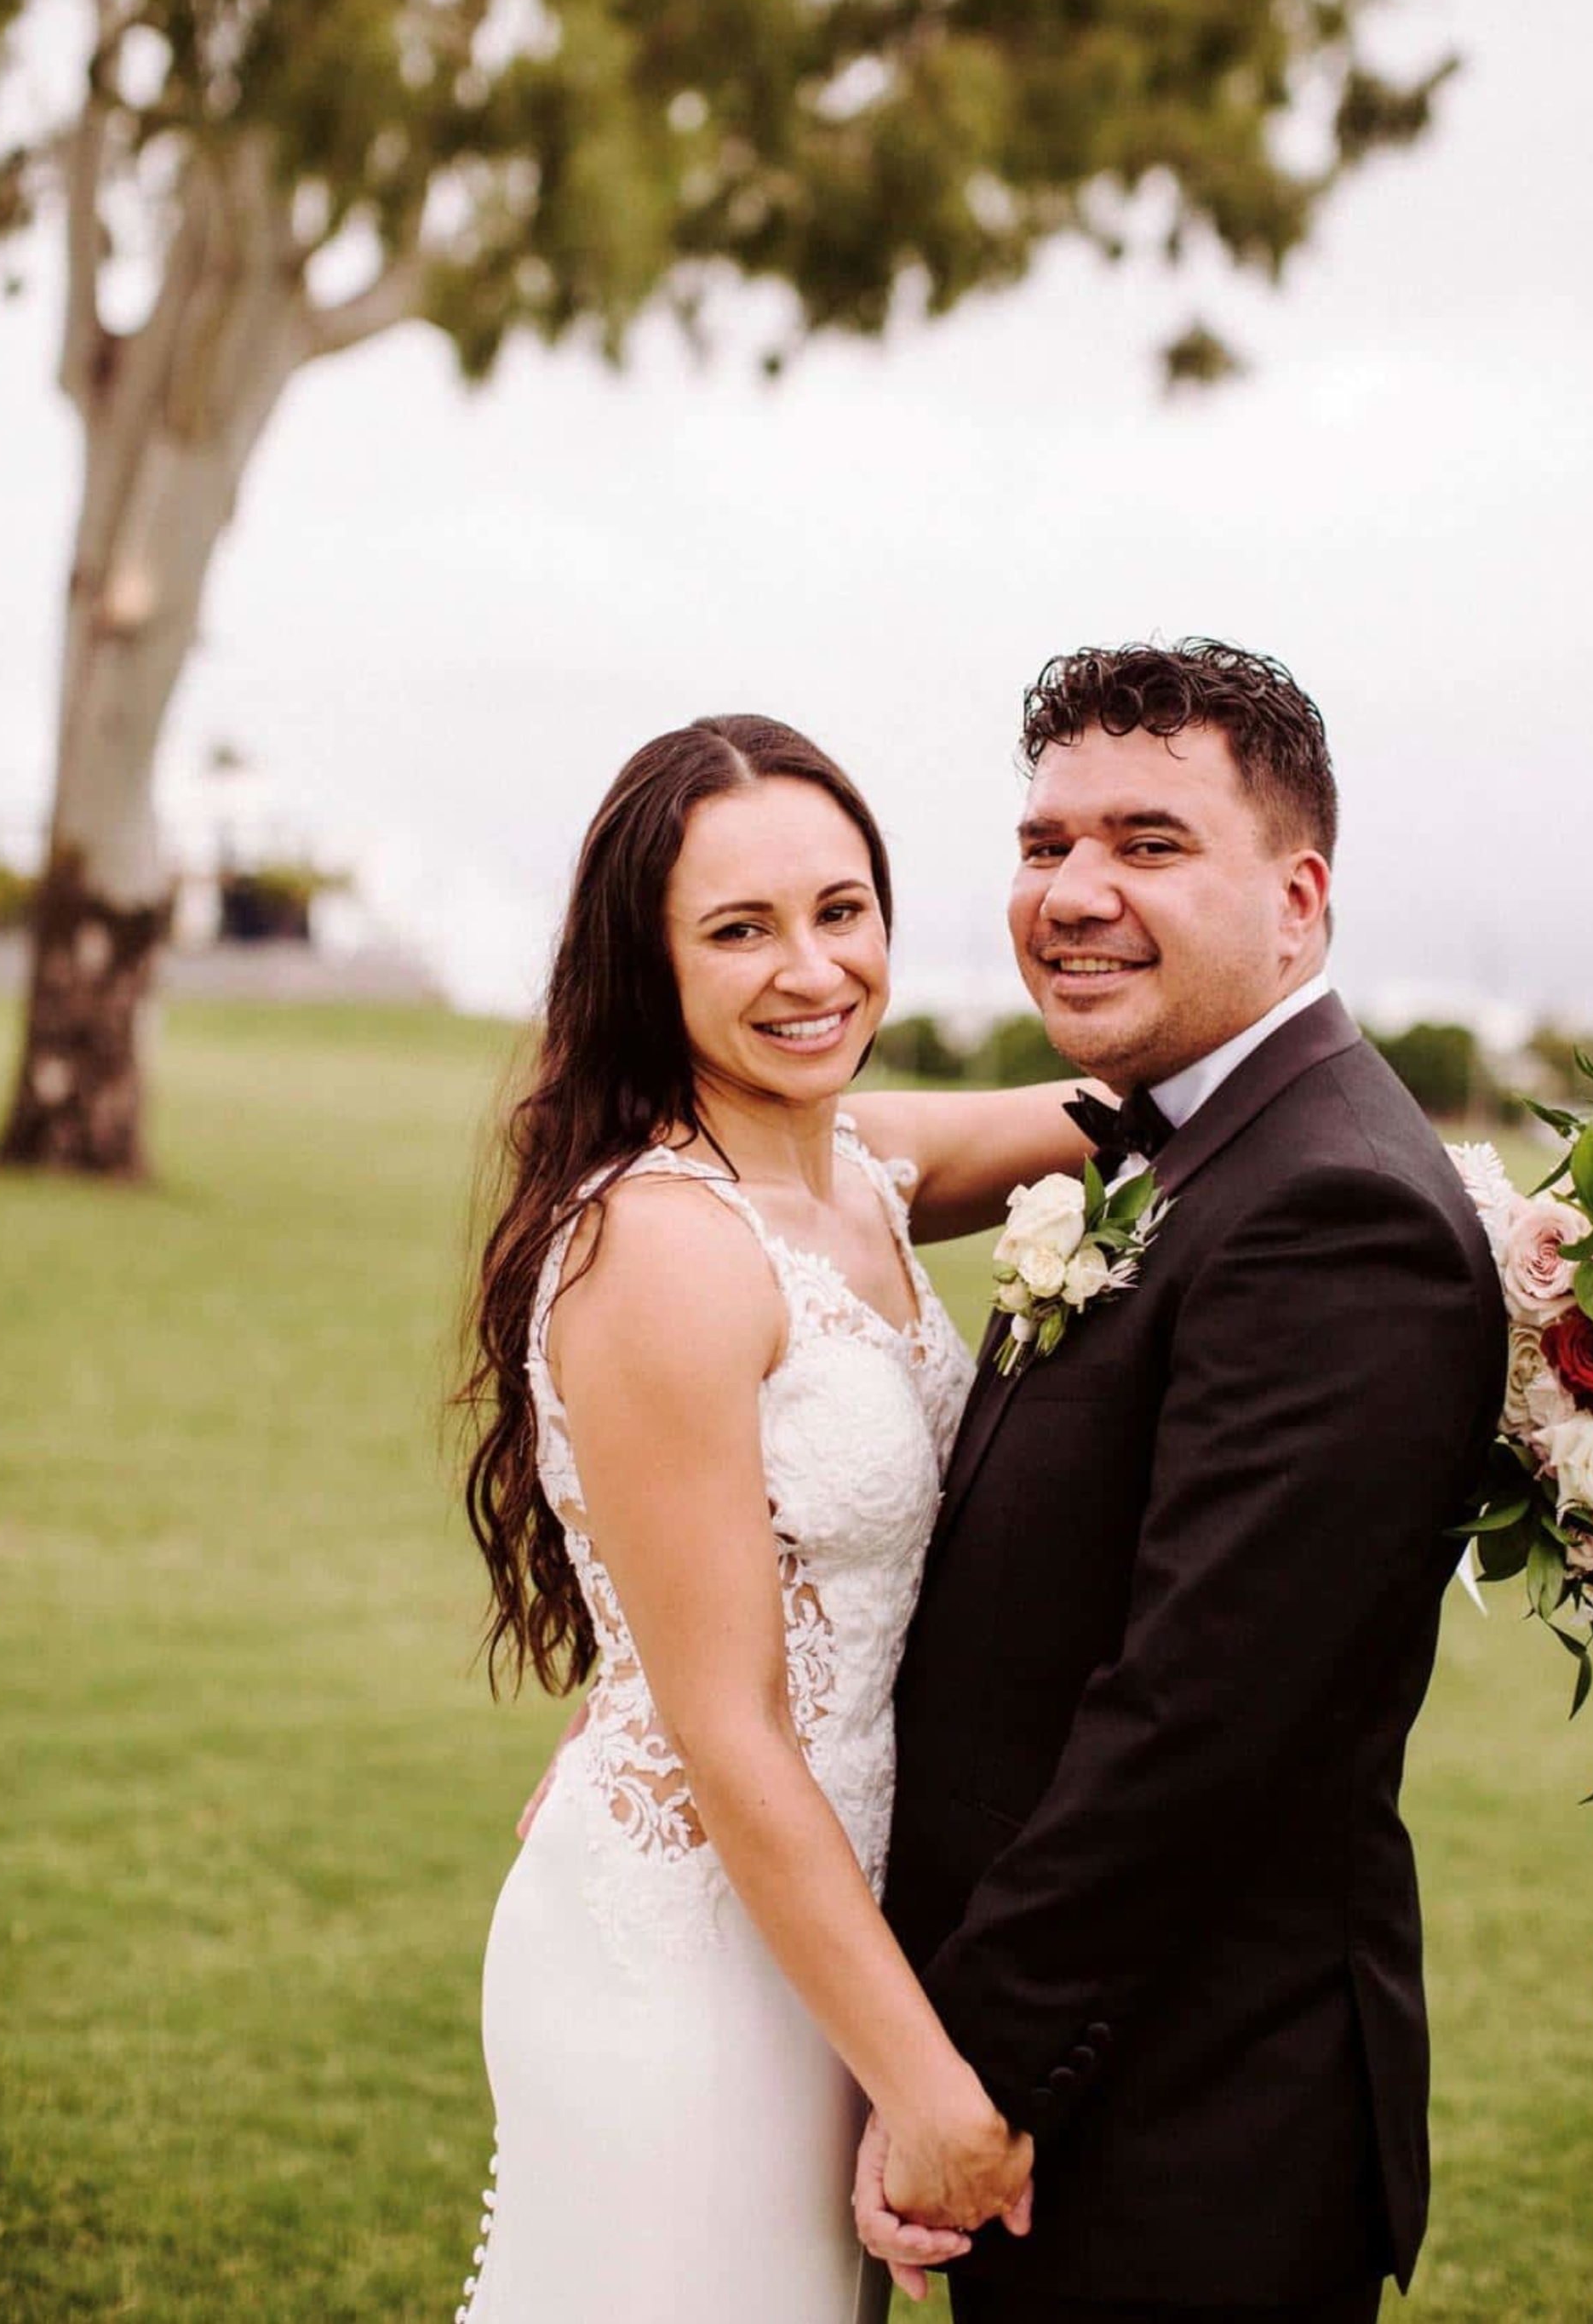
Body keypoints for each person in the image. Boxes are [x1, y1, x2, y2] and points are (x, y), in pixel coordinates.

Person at [856, 640, 1509, 2324]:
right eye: (1043, 843)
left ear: (1297, 900)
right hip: (1116, 2093)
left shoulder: (1332, 1209)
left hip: (1188, 2128)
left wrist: (968, 2080)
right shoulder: (1176, 1139)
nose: (1073, 891)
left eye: (1147, 844)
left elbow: (1191, 1727)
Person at [452, 711, 1093, 2321]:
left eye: (841, 910)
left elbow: (1158, 1109)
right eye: (739, 930)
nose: (811, 970)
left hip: (833, 1921)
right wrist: (928, 2082)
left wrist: (1498, 1213)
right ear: (646, 964)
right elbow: (730, 1732)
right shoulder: (664, 1248)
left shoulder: (857, 1163)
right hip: (695, 1949)